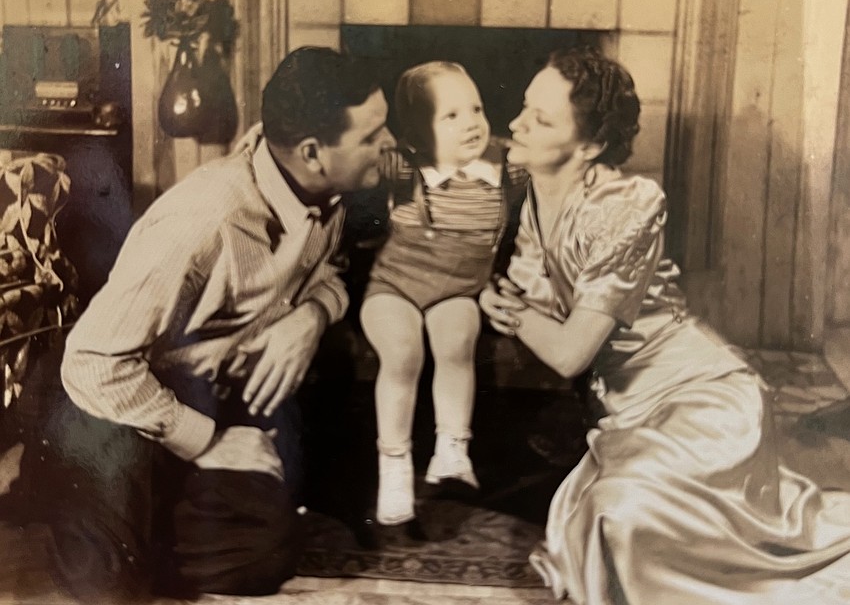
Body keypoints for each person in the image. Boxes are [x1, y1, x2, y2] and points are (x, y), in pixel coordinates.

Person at [480, 47, 850, 604]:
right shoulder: (533, 192)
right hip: (630, 409)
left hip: (705, 401)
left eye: (541, 118)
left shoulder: (630, 202)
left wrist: (507, 309)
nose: (515, 124)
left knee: (618, 515)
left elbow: (568, 353)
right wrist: (503, 303)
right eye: (526, 107)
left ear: (591, 146)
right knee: (614, 514)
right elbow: (528, 300)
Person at [36, 46, 395, 601]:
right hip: (113, 407)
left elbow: (329, 271)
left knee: (266, 553)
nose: (389, 145)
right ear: (312, 152)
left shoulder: (327, 190)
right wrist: (208, 443)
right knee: (112, 587)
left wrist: (311, 313)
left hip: (207, 386)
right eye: (372, 136)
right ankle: (73, 496)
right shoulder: (202, 223)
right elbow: (90, 364)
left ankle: (166, 508)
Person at [360, 61, 525, 525]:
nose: (471, 122)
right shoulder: (401, 165)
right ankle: (394, 463)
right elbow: (356, 150)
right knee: (403, 352)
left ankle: (452, 449)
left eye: (475, 108)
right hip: (395, 284)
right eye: (450, 116)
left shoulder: (506, 166)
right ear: (415, 136)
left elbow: (553, 163)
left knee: (457, 341)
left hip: (460, 289)